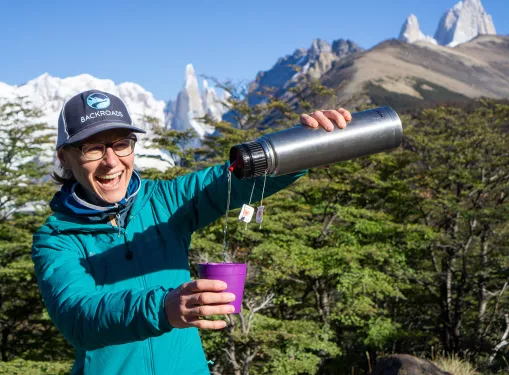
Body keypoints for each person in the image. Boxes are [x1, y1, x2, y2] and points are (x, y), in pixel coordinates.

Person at [31, 89, 352, 375]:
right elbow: (79, 317)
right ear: (65, 157)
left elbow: (232, 181)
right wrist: (164, 307)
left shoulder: (164, 202)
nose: (111, 162)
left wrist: (306, 144)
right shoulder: (56, 239)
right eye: (93, 148)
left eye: (121, 144)